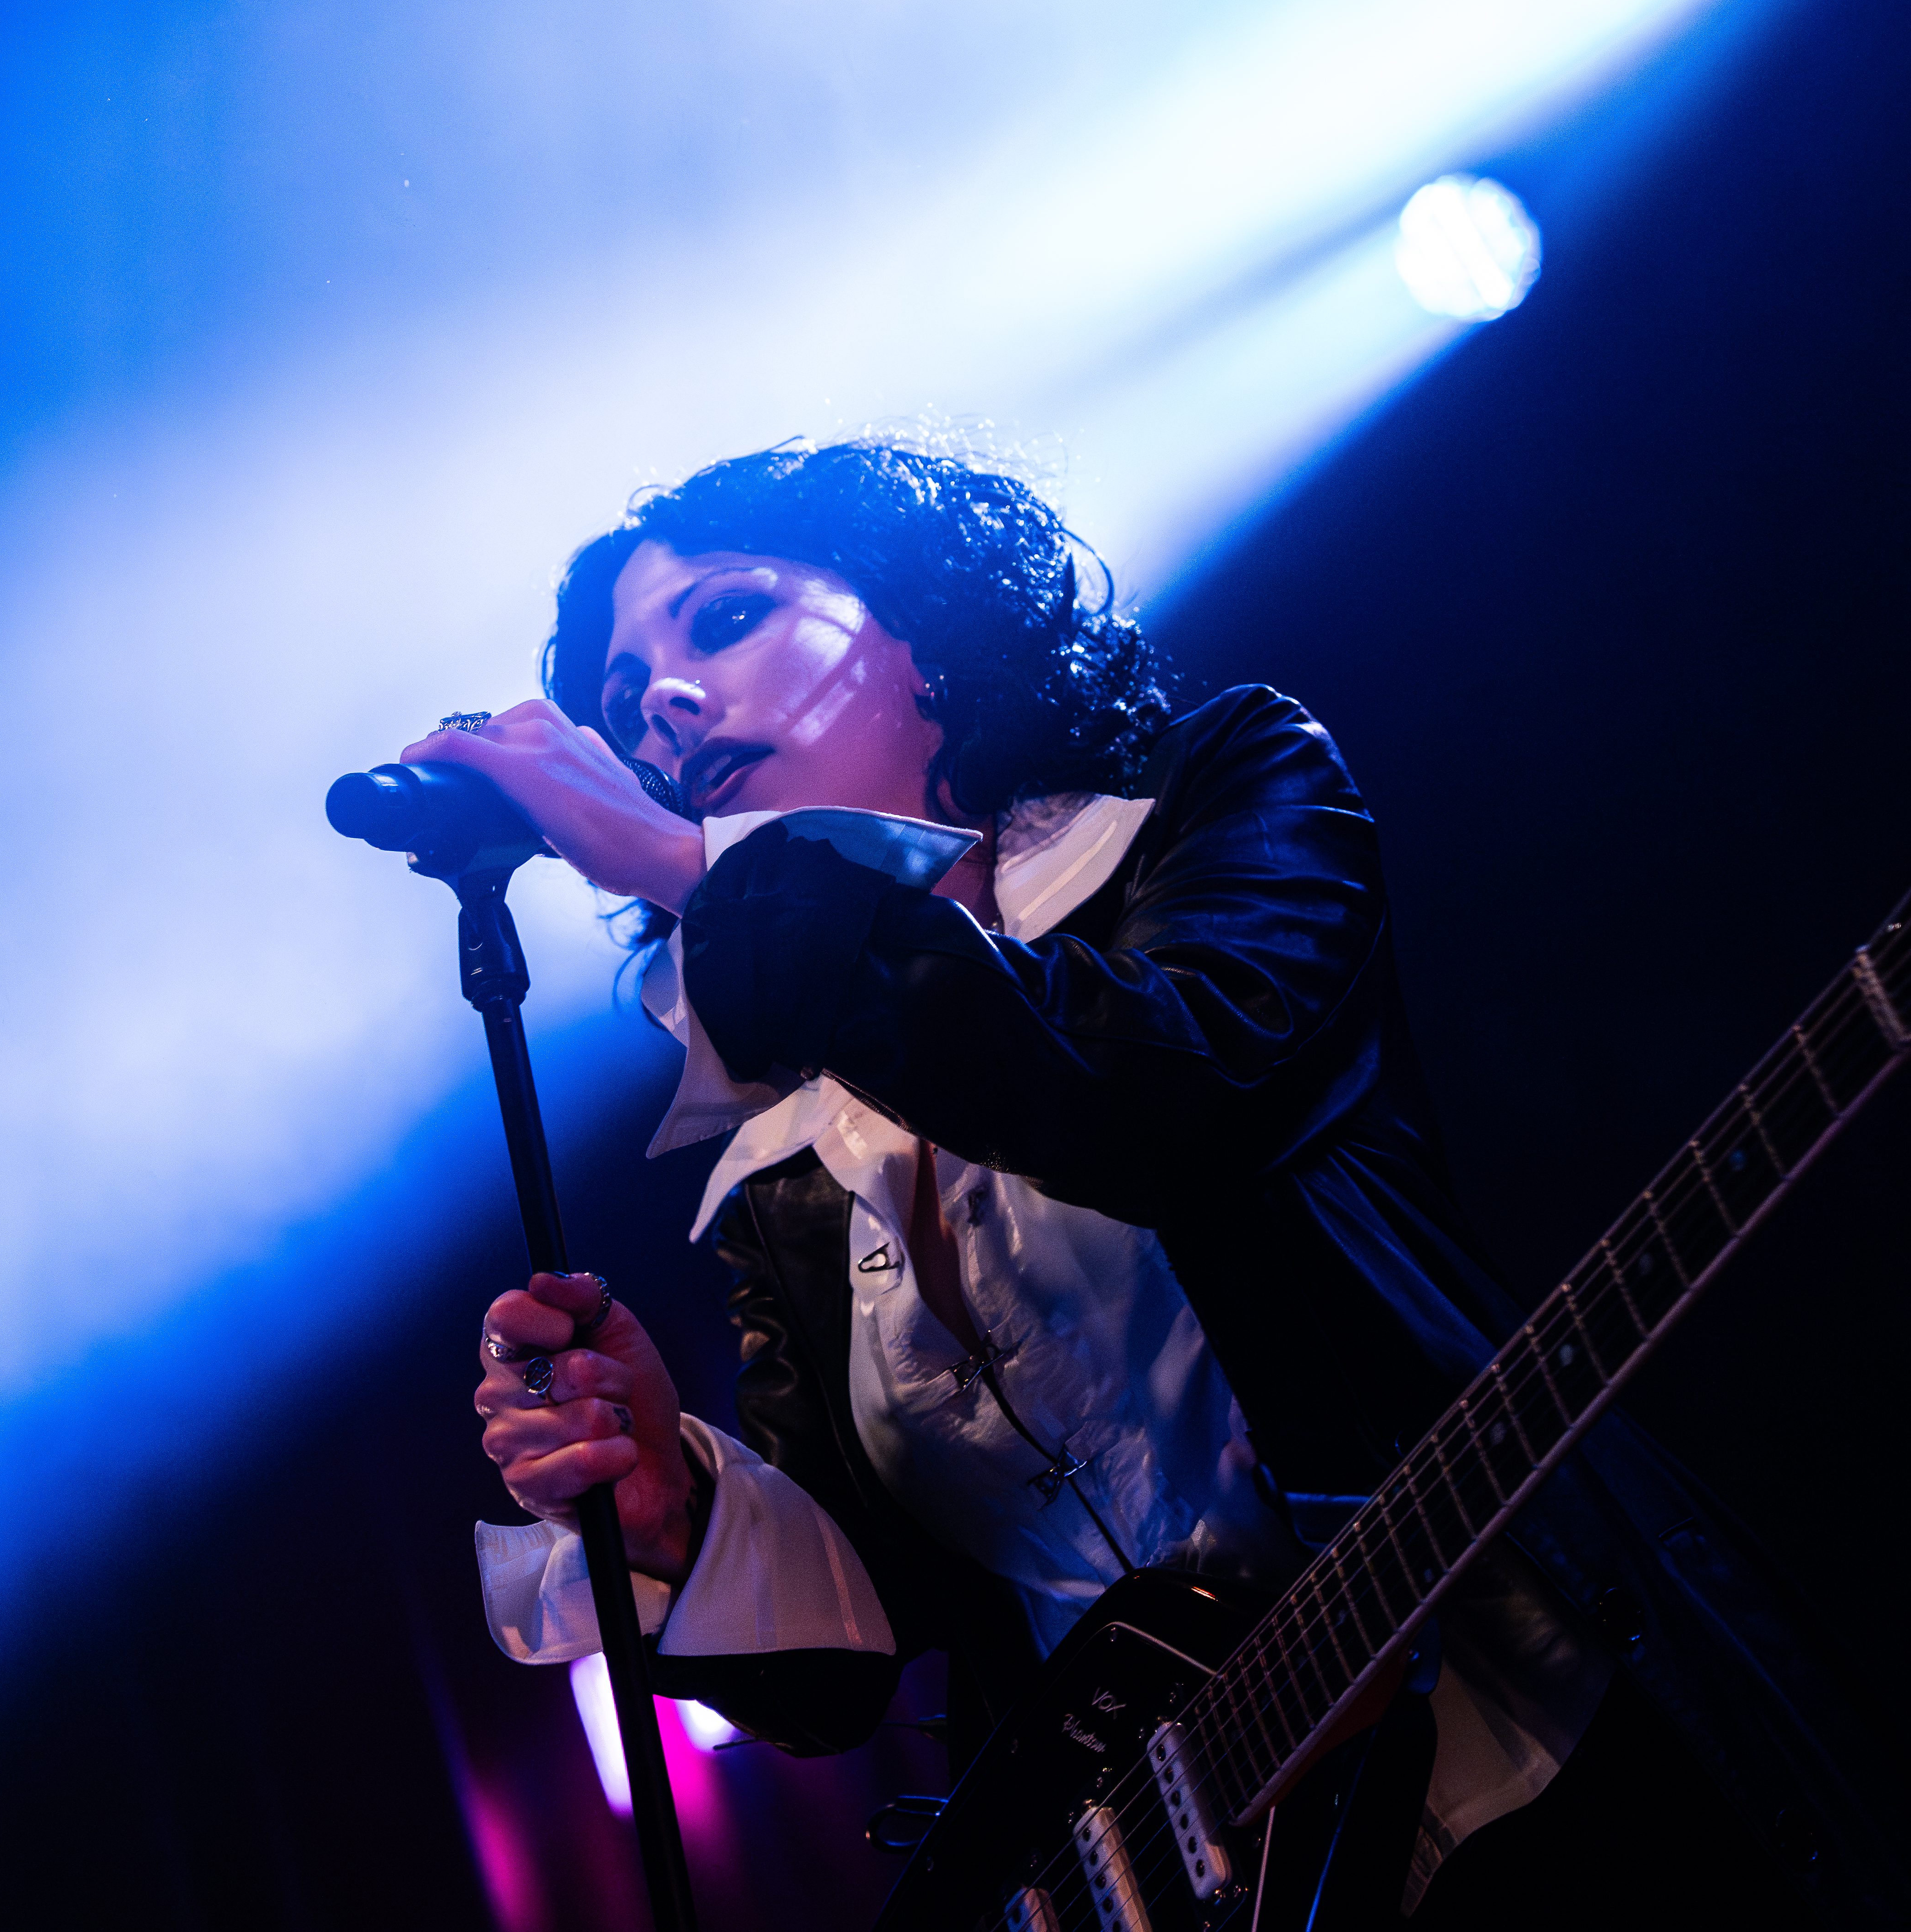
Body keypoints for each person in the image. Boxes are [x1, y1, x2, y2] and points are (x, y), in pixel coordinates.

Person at [401, 440, 1900, 1928]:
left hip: (1541, 1770)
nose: (661, 705)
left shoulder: (1218, 796)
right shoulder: (782, 1157)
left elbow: (1156, 1093)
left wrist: (688, 863)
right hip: (1190, 1885)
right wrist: (678, 1502)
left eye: (723, 619)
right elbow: (874, 1631)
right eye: (621, 702)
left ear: (924, 629)